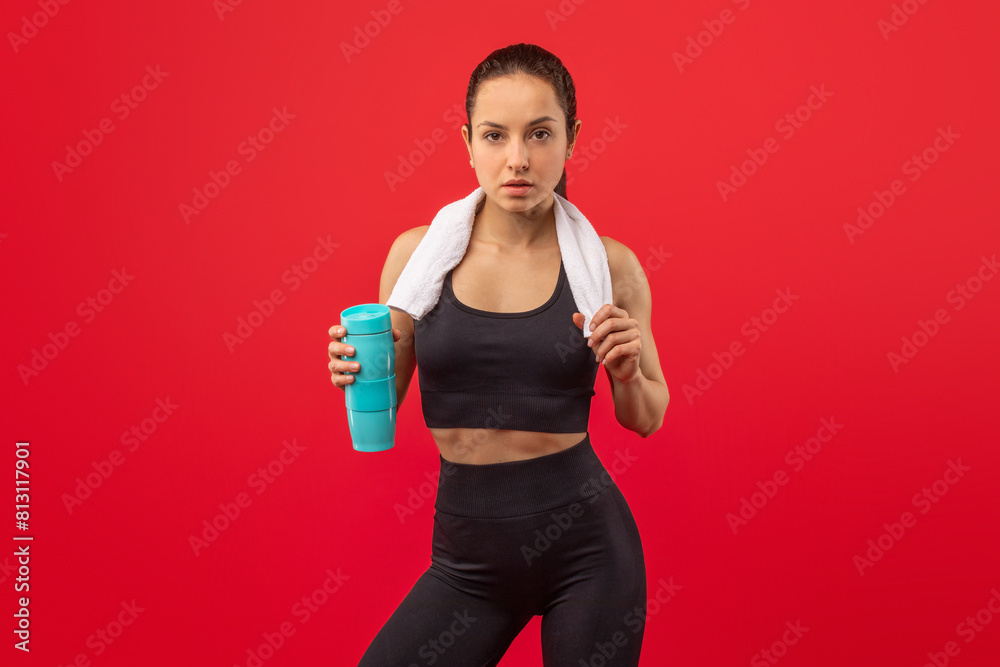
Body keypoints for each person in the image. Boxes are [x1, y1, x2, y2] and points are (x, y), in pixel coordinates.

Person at [328, 43, 669, 667]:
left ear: (572, 139)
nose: (518, 159)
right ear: (467, 141)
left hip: (588, 554)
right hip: (467, 559)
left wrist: (626, 371)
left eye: (540, 133)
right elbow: (385, 399)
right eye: (495, 135)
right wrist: (353, 369)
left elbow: (646, 416)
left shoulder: (610, 267)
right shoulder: (416, 258)